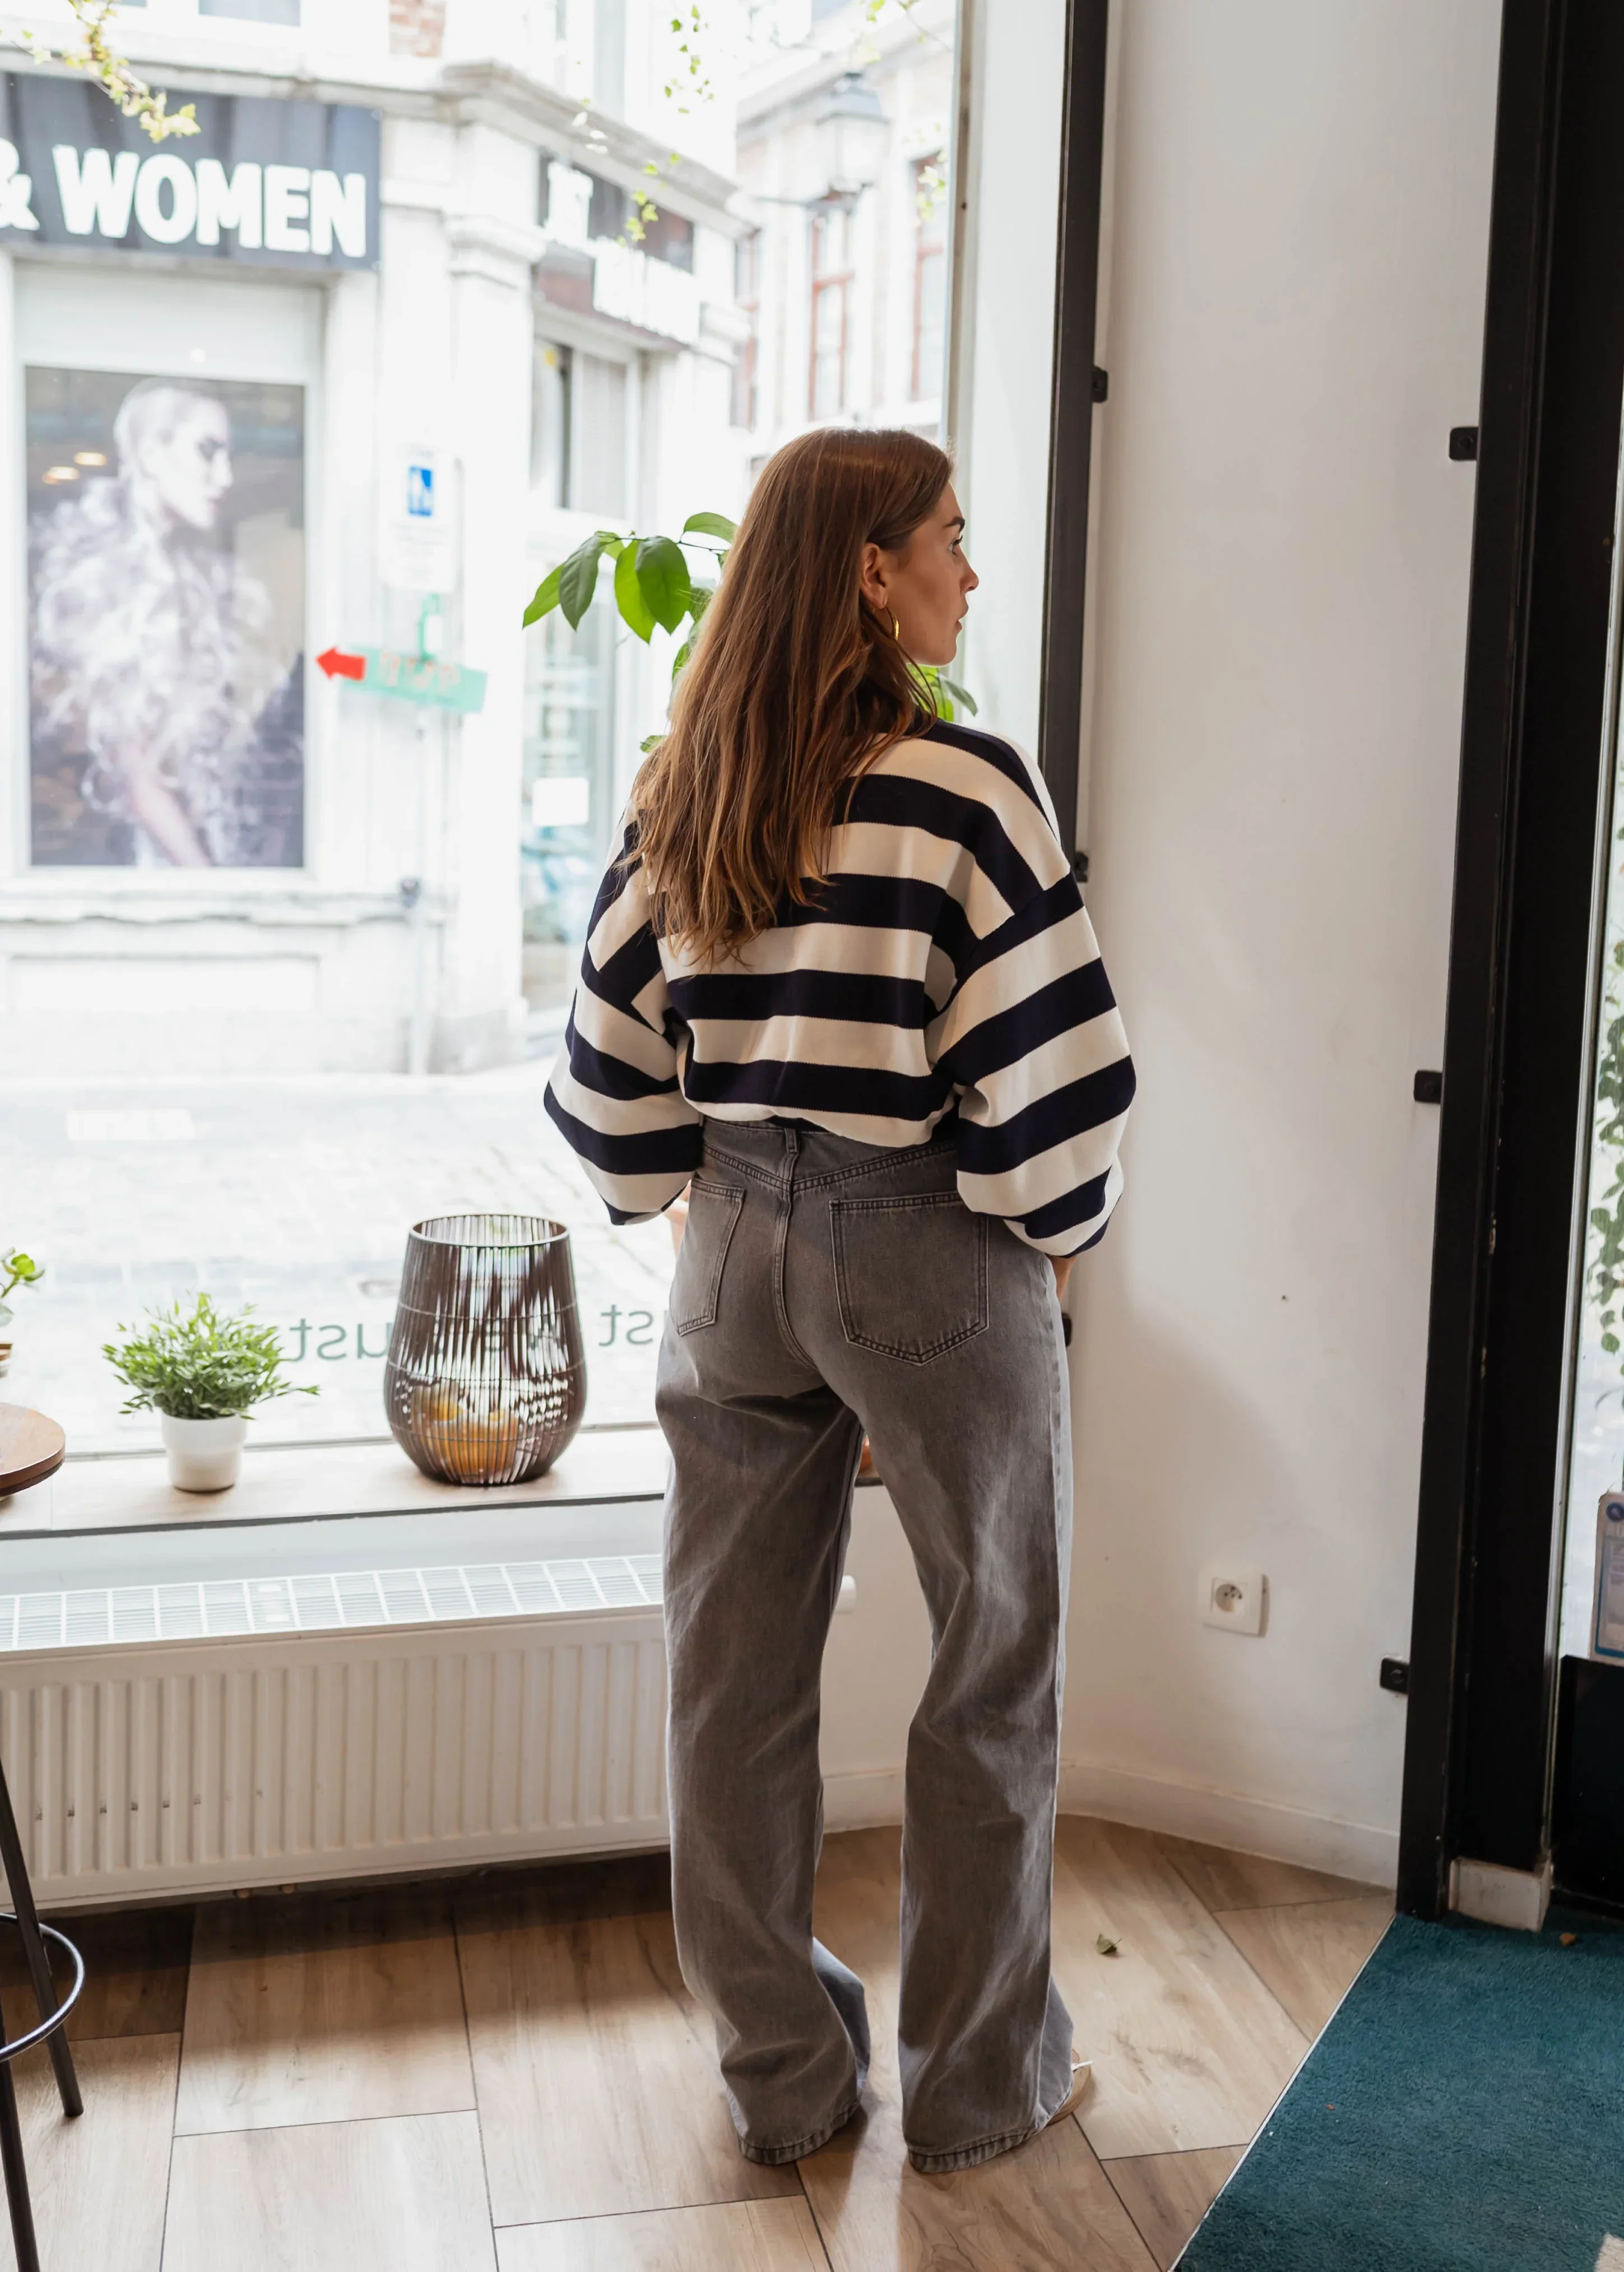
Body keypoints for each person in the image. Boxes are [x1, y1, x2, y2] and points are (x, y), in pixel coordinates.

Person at [545, 426, 1134, 2174]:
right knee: (991, 1661)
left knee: (730, 1675)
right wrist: (1047, 1239)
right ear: (873, 574)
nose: (969, 568)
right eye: (949, 536)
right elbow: (1058, 1080)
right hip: (926, 1237)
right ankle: (977, 2085)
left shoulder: (687, 785)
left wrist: (710, 1201)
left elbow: (608, 1090)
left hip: (729, 1247)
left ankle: (784, 2079)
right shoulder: (965, 788)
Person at [30, 379, 280, 867]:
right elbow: (138, 781)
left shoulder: (188, 575)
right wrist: (211, 885)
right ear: (151, 454)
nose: (225, 477)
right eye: (207, 451)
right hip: (145, 864)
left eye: (227, 455)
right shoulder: (107, 581)